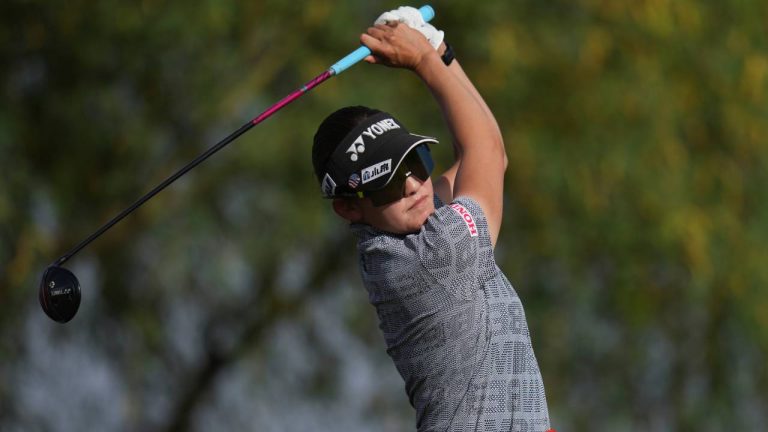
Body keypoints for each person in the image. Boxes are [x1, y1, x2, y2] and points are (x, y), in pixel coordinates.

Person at [311, 8, 553, 432]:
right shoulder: (432, 257)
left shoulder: (402, 231)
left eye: (416, 162)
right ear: (349, 207)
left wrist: (439, 49)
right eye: (384, 182)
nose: (412, 185)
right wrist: (423, 60)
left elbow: (486, 153)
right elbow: (488, 154)